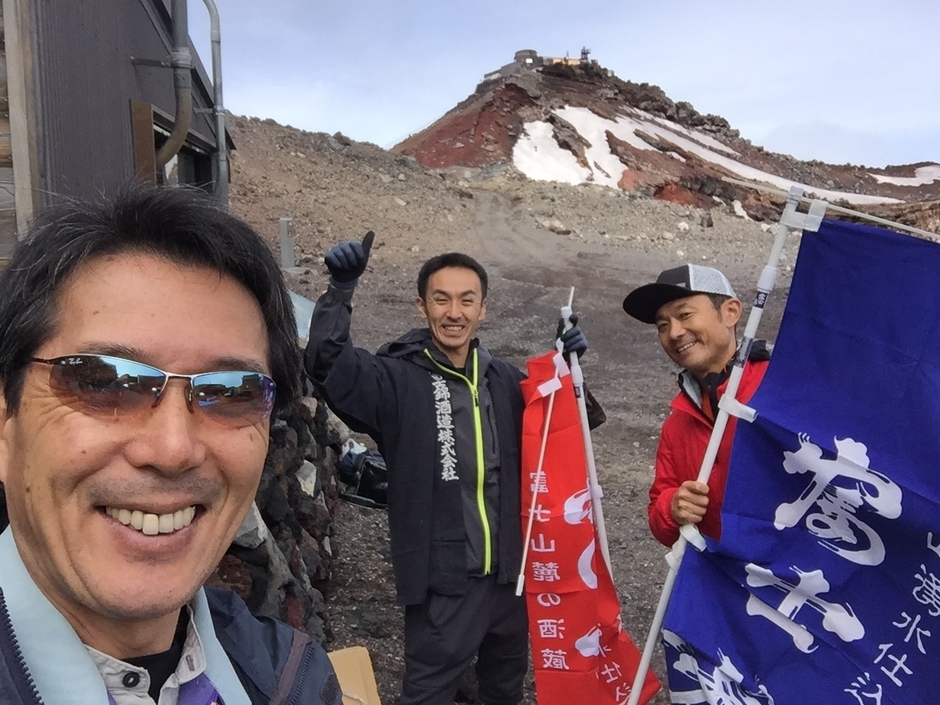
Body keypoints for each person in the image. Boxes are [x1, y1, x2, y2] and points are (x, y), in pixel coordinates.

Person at [0, 185, 342, 705]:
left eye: (231, 391)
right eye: (106, 381)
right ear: (7, 420)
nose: (173, 448)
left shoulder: (293, 678)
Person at [305, 235, 588, 705]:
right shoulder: (395, 378)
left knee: (504, 688)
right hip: (444, 580)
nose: (453, 312)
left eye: (466, 300)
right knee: (429, 692)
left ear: (483, 310)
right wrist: (340, 292)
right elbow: (328, 364)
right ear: (422, 307)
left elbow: (564, 433)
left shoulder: (506, 379)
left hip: (511, 576)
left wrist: (569, 368)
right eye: (441, 299)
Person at [622, 264, 770, 547]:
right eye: (662, 325)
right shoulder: (678, 423)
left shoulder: (779, 387)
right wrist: (672, 508)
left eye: (685, 314)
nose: (674, 333)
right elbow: (658, 515)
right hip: (721, 581)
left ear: (730, 312)